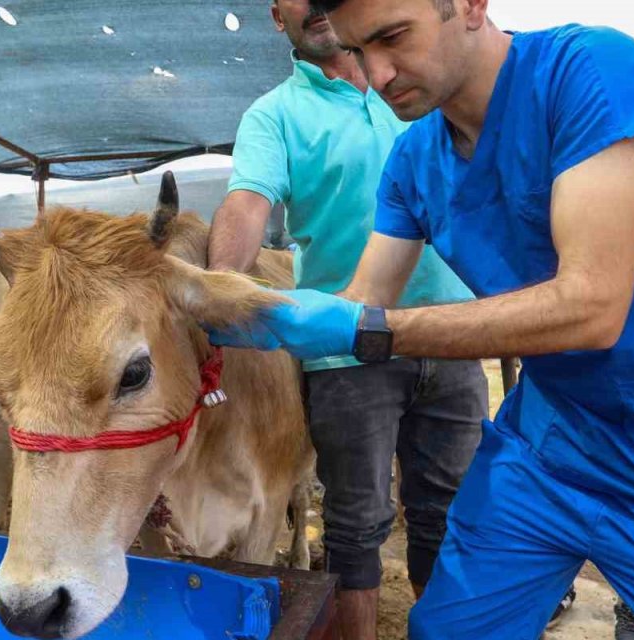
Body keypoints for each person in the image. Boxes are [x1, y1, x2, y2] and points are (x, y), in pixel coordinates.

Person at [206, 0, 634, 638]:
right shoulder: (416, 160)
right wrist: (243, 306)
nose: (377, 75)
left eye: (392, 38)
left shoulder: (589, 74)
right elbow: (360, 300)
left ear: (469, 5)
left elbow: (591, 306)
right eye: (358, 51)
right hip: (555, 443)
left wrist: (369, 329)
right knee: (449, 626)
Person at [207, 2, 492, 638]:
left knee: (449, 513)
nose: (316, 4)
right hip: (346, 353)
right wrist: (221, 289)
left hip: (456, 336)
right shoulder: (275, 114)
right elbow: (248, 201)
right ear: (276, 16)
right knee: (357, 524)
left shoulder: (417, 84)